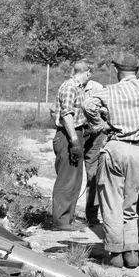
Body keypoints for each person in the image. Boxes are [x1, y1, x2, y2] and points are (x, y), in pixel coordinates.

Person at [82, 53, 139, 269]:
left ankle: (114, 254)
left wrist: (101, 125)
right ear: (137, 68)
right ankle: (132, 252)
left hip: (115, 147)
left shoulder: (110, 91)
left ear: (116, 70)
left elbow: (87, 105)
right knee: (130, 204)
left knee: (111, 203)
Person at [50, 60, 106, 231]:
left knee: (75, 180)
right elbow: (67, 115)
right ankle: (60, 222)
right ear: (87, 72)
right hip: (68, 135)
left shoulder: (79, 88)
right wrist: (74, 141)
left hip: (77, 133)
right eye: (90, 73)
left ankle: (68, 218)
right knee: (66, 180)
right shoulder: (70, 87)